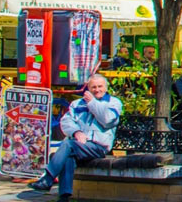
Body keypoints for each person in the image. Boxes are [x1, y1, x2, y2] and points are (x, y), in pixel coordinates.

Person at [29, 74, 123, 202]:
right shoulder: (77, 104)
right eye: (93, 87)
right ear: (88, 88)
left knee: (68, 145)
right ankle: (64, 197)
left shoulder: (113, 103)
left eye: (100, 86)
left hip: (98, 146)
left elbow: (107, 120)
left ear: (106, 88)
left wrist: (92, 103)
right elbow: (66, 122)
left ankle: (48, 178)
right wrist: (76, 132)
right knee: (68, 155)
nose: (97, 90)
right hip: (78, 146)